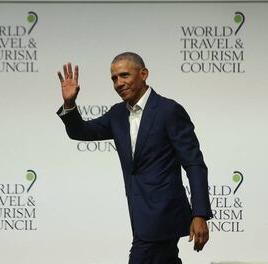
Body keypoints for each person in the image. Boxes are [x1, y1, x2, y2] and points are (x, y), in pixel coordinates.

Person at [56, 52, 212, 264]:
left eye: (124, 75)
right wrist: (69, 105)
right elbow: (81, 132)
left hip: (163, 214)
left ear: (143, 74)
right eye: (114, 78)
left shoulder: (169, 110)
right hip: (139, 214)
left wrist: (200, 214)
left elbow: (194, 164)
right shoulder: (117, 114)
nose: (118, 83)